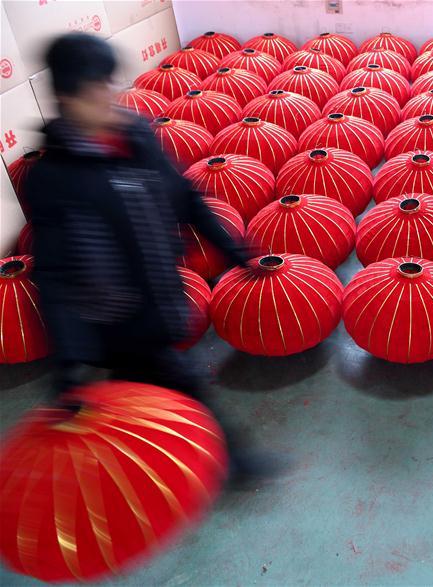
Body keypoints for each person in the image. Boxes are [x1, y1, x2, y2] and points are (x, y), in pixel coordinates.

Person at [24, 33, 274, 484]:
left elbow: (186, 197)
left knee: (140, 400)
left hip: (160, 296)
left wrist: (234, 249)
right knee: (181, 388)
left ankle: (166, 464)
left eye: (106, 83)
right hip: (117, 321)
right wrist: (67, 364)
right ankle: (226, 461)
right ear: (64, 98)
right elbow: (56, 275)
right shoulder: (52, 179)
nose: (104, 97)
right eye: (89, 90)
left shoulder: (136, 137)